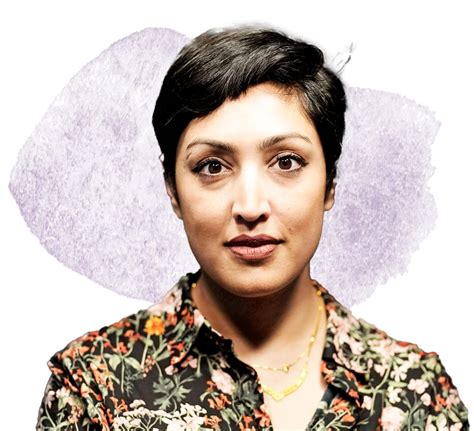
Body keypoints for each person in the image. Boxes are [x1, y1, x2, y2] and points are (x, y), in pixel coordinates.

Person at [36, 25, 469, 431]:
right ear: (173, 191)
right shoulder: (92, 386)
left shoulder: (415, 393)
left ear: (330, 184)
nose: (250, 207)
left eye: (287, 162)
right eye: (212, 166)